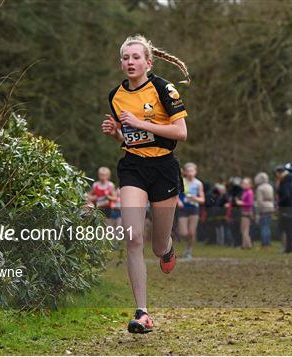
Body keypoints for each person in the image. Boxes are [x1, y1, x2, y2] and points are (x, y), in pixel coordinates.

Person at [101, 34, 190, 333]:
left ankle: (167, 247)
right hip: (133, 167)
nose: (130, 62)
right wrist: (116, 132)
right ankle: (142, 312)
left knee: (155, 246)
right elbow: (128, 139)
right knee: (133, 237)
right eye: (125, 58)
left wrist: (140, 123)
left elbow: (181, 132)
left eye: (135, 57)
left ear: (148, 62)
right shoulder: (116, 95)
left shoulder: (164, 88)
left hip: (164, 167)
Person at [177, 162, 205, 259]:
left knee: (192, 232)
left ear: (195, 172)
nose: (190, 173)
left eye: (192, 171)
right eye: (188, 171)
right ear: (184, 172)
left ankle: (189, 249)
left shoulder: (198, 184)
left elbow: (202, 199)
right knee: (183, 233)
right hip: (183, 209)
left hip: (194, 209)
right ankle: (186, 244)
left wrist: (195, 198)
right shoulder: (181, 181)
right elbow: (175, 194)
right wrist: (178, 202)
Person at [275, 165, 292, 253]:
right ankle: (289, 247)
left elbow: (286, 195)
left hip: (286, 209)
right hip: (288, 208)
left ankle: (289, 248)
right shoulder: (287, 181)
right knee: (288, 229)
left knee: (288, 229)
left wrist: (278, 203)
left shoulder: (285, 182)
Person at [254, 172, 275, 248]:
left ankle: (264, 243)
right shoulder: (270, 187)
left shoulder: (260, 188)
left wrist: (258, 211)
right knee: (268, 226)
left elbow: (259, 201)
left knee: (264, 226)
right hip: (270, 206)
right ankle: (268, 242)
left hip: (264, 208)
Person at [236, 177, 254, 249]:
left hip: (247, 213)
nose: (243, 185)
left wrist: (241, 203)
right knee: (243, 229)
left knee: (245, 230)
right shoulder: (245, 192)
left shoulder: (249, 192)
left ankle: (248, 245)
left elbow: (250, 203)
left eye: (245, 183)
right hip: (243, 212)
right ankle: (244, 244)